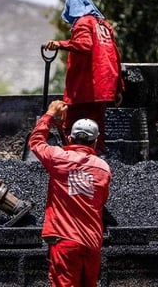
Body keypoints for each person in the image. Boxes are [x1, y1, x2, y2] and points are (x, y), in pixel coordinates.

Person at [28, 99, 111, 287]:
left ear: (72, 138)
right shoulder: (103, 168)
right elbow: (101, 199)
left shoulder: (59, 158)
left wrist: (49, 114)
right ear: (96, 140)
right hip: (91, 243)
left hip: (65, 241)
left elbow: (35, 142)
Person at [44, 0, 125, 156]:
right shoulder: (104, 25)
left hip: (87, 85)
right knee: (97, 124)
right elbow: (115, 55)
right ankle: (99, 157)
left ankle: (72, 157)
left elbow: (85, 45)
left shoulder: (82, 23)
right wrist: (118, 88)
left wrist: (60, 44)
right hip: (105, 83)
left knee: (71, 122)